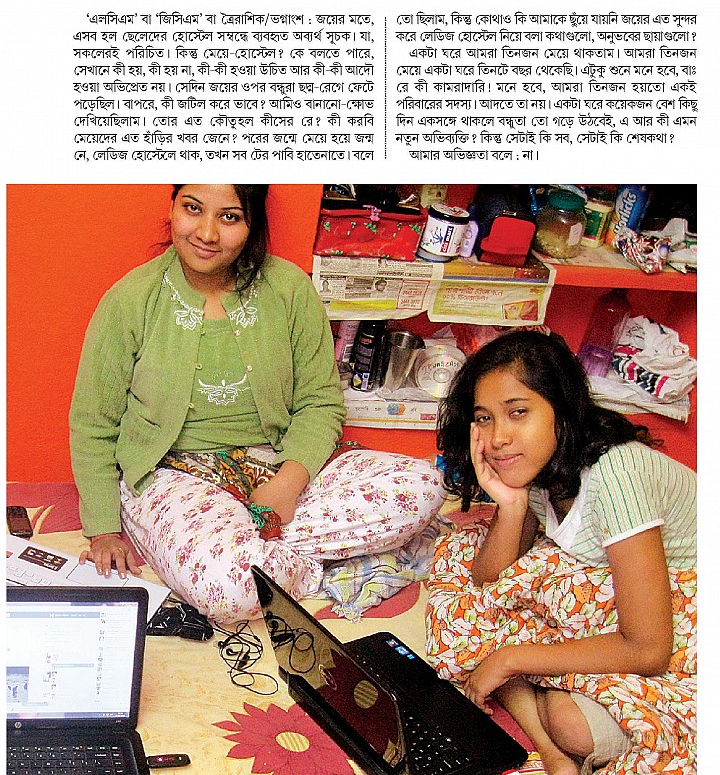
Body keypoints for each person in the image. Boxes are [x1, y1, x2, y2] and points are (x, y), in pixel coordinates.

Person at [70, 184, 445, 622]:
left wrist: (286, 486)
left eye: (229, 217)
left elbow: (320, 402)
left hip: (277, 462)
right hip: (173, 475)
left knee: (425, 486)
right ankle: (305, 563)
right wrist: (103, 530)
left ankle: (259, 556)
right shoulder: (131, 300)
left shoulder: (288, 289)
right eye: (193, 209)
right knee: (229, 588)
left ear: (252, 224)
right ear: (172, 208)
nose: (207, 233)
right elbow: (94, 424)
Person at [426, 329, 696, 775]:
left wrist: (510, 658)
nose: (498, 437)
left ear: (563, 410)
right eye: (484, 418)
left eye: (518, 412)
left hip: (682, 615)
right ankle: (553, 757)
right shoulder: (541, 466)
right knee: (460, 577)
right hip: (607, 592)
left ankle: (549, 717)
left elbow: (649, 647)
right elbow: (488, 582)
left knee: (570, 721)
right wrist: (510, 506)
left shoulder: (618, 472)